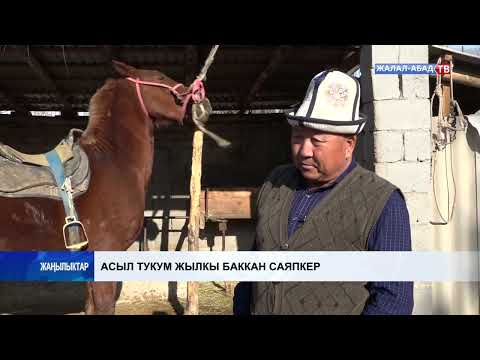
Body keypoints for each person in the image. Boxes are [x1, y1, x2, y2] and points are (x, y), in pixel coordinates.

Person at [233, 70, 413, 315]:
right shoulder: (276, 183)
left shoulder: (383, 203)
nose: (305, 150)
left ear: (349, 145)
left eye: (317, 141)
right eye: (297, 137)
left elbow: (394, 300)